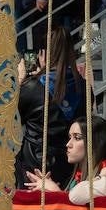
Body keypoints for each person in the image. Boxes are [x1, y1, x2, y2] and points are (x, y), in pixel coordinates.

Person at [15, 27, 82, 187]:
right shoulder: (84, 88)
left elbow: (8, 118)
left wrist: (19, 82)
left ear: (43, 54)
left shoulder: (33, 88)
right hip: (69, 167)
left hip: (33, 169)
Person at [25, 114, 106, 192]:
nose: (68, 144)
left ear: (95, 142)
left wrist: (55, 191)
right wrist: (49, 188)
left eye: (77, 138)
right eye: (70, 137)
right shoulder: (77, 177)